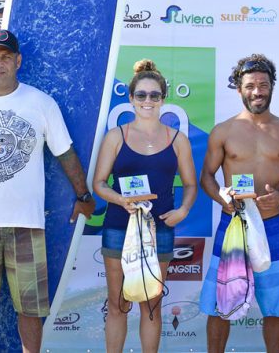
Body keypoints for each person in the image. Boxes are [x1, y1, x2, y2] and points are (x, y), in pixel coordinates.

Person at [0, 29, 96, 353]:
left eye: (6, 57)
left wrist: (83, 195)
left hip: (27, 223)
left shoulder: (41, 102)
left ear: (18, 61)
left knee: (30, 307)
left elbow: (64, 152)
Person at [199, 54, 279, 353]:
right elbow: (207, 177)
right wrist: (221, 196)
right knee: (219, 302)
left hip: (271, 223)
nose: (257, 91)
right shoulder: (222, 131)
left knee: (276, 305)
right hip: (233, 223)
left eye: (263, 85)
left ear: (272, 86)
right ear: (239, 89)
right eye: (250, 85)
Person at [92, 59, 197, 353]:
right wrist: (120, 200)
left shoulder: (178, 140)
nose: (148, 101)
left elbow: (191, 185)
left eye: (154, 95)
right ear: (130, 99)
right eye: (141, 95)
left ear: (163, 99)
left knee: (152, 305)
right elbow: (99, 183)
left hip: (159, 229)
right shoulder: (116, 136)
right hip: (117, 228)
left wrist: (184, 210)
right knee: (118, 303)